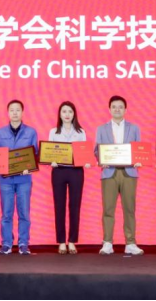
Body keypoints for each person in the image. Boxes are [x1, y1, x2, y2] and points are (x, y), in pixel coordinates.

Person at [94, 95, 144, 256]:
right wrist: (101, 160)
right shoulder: (101, 129)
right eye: (114, 107)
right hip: (109, 172)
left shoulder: (134, 128)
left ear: (125, 110)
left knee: (129, 209)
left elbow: (139, 149)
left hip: (129, 172)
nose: (117, 109)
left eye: (120, 107)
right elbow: (97, 150)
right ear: (109, 109)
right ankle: (107, 242)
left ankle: (130, 243)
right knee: (108, 209)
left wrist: (139, 160)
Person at [0, 100, 38, 255]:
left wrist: (29, 167)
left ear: (22, 112)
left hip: (24, 179)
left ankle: (23, 243)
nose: (15, 113)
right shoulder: (0, 133)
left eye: (17, 110)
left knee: (24, 213)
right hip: (5, 180)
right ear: (8, 113)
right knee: (6, 213)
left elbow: (35, 154)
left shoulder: (31, 132)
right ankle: (6, 244)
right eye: (12, 110)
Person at [48, 101, 86, 255]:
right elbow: (49, 152)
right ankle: (62, 241)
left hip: (76, 171)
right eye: (64, 111)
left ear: (74, 114)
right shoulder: (53, 132)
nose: (67, 114)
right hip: (59, 171)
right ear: (60, 114)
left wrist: (86, 160)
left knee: (75, 206)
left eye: (70, 111)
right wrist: (51, 161)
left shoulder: (81, 132)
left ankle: (72, 241)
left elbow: (84, 152)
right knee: (59, 206)